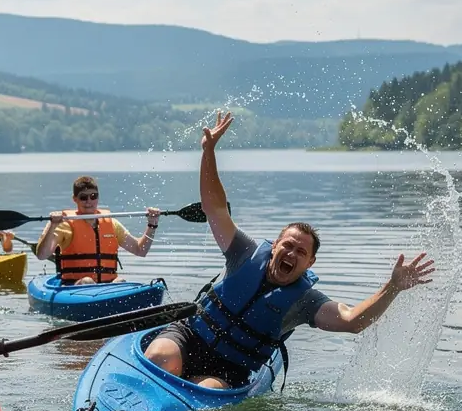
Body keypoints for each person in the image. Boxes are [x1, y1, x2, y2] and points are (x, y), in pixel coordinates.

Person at [144, 111, 435, 389]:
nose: (292, 254)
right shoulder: (243, 252)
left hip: (228, 369)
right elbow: (214, 207)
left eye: (301, 252)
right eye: (288, 246)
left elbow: (352, 321)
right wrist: (208, 151)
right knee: (159, 358)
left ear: (310, 263)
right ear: (274, 247)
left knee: (204, 389)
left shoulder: (305, 301)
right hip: (190, 336)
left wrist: (393, 287)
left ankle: (184, 395)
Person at [35, 175, 160, 284]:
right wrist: (52, 225)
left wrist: (152, 225)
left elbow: (140, 250)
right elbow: (42, 255)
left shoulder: (111, 224)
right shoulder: (63, 225)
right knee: (87, 281)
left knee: (120, 281)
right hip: (75, 287)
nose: (89, 201)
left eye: (93, 196)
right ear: (75, 199)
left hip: (106, 286)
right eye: (83, 197)